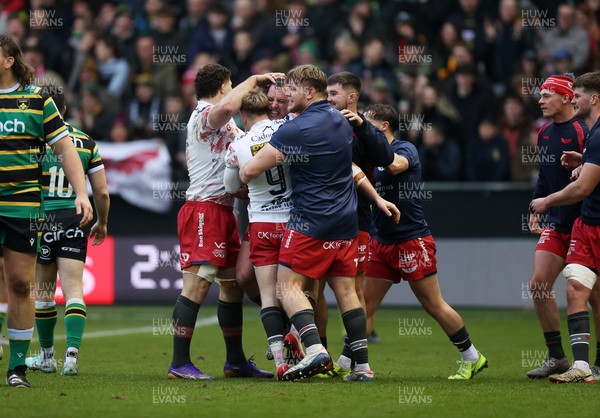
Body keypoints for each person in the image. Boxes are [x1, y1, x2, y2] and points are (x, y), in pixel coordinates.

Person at [240, 64, 374, 382]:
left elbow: (248, 172)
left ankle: (314, 350)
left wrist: (248, 156)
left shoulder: (293, 130)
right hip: (346, 221)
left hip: (310, 221)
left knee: (287, 287)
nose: (287, 94)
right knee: (346, 291)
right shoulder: (342, 122)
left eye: (293, 88)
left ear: (309, 92)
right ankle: (363, 367)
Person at [167, 63, 282, 380]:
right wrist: (256, 79)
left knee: (231, 288)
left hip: (225, 211)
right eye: (231, 86)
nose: (235, 92)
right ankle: (178, 363)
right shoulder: (204, 115)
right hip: (204, 210)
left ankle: (235, 362)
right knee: (197, 286)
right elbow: (230, 105)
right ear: (222, 89)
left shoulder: (225, 121)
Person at [362, 103, 488, 380]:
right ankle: (354, 363)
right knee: (364, 305)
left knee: (433, 304)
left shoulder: (405, 149)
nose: (362, 128)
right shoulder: (368, 157)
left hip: (411, 240)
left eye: (367, 123)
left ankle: (472, 357)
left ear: (384, 125)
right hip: (381, 242)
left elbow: (395, 166)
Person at [0, 34, 93, 388]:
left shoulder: (37, 99)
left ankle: (17, 368)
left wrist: (81, 194)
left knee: (22, 284)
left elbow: (66, 148)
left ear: (9, 60)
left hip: (23, 206)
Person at [318, 71, 398, 377]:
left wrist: (363, 125)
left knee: (354, 290)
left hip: (357, 220)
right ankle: (322, 355)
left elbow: (386, 157)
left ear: (352, 97)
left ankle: (354, 360)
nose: (328, 99)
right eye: (327, 93)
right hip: (320, 218)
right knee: (314, 288)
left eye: (334, 94)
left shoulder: (363, 129)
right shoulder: (322, 122)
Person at [23, 89, 109, 377]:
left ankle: (47, 357)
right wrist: (103, 222)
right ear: (66, 107)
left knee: (44, 292)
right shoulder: (86, 141)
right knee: (74, 289)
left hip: (41, 218)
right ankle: (71, 358)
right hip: (76, 218)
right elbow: (102, 192)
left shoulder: (36, 141)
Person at [530, 71, 600, 383]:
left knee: (591, 295)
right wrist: (536, 205)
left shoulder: (585, 129)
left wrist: (582, 165)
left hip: (584, 221)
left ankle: (594, 362)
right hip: (558, 223)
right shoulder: (544, 133)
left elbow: (589, 178)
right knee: (539, 285)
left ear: (566, 97)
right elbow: (544, 177)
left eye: (547, 94)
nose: (541, 100)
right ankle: (557, 356)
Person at [224, 88, 293, 380]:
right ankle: (307, 348)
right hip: (294, 221)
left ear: (242, 114)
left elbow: (230, 187)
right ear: (268, 108)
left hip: (262, 222)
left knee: (269, 296)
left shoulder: (238, 144)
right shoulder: (287, 128)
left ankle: (280, 360)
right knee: (293, 290)